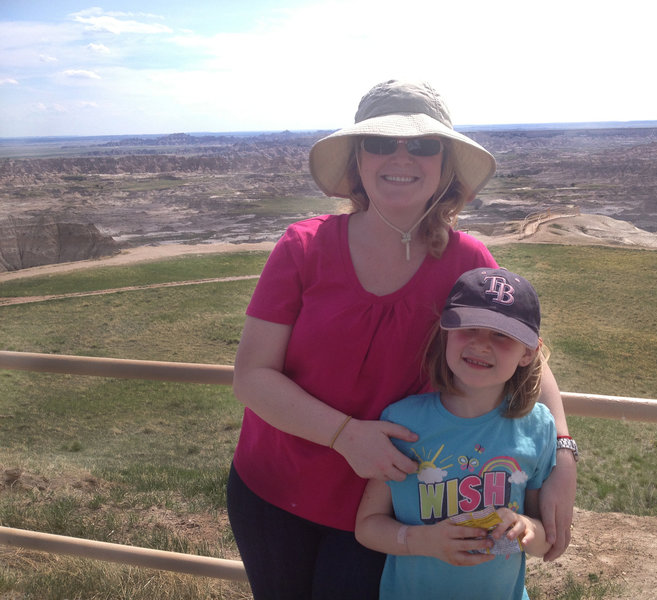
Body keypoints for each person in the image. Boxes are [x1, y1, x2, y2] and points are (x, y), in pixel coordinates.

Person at [227, 79, 577, 600]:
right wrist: (347, 435)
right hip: (277, 491)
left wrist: (563, 459)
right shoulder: (303, 248)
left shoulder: (468, 261)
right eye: (380, 142)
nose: (401, 155)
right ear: (357, 160)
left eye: (422, 144)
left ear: (444, 165)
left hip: (397, 509)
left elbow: (525, 355)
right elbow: (253, 376)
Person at [355, 267, 558, 599]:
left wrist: (525, 530)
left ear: (528, 353)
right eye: (468, 328)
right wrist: (424, 542)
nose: (481, 344)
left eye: (501, 335)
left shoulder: (538, 427)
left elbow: (544, 540)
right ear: (445, 333)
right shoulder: (402, 423)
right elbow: (367, 526)